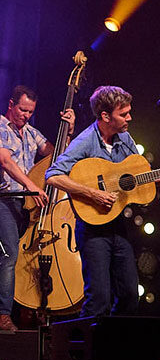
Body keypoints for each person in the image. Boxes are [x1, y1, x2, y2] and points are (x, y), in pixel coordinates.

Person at [45, 84, 139, 317]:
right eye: (123, 114)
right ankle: (85, 351)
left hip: (119, 226)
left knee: (129, 294)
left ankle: (114, 345)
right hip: (93, 230)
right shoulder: (86, 141)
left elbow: (138, 173)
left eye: (128, 112)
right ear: (105, 116)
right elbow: (53, 176)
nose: (129, 117)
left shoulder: (125, 139)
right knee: (99, 299)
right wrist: (93, 194)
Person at [0, 85, 75, 331]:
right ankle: (2, 313)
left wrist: (68, 130)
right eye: (22, 109)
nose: (26, 115)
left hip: (29, 203)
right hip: (6, 200)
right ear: (11, 104)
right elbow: (5, 162)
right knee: (9, 255)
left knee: (33, 255)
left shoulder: (31, 132)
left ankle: (34, 307)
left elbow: (58, 155)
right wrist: (31, 186)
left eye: (30, 112)